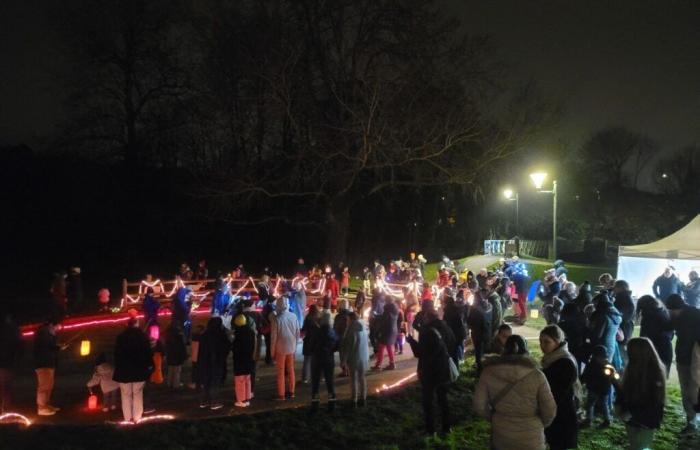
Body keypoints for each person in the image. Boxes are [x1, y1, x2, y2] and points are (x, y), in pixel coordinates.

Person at [473, 335, 557, 450]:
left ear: (504, 349)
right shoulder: (537, 375)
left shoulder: (488, 372)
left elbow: (479, 406)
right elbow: (550, 409)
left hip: (501, 435)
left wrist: (494, 417)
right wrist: (539, 423)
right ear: (526, 350)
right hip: (531, 438)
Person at [406, 310, 455, 435]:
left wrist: (411, 341)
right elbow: (452, 342)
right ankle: (446, 427)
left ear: (427, 318)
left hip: (429, 370)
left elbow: (420, 353)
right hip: (443, 368)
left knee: (428, 400)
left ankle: (430, 429)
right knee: (443, 399)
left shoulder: (427, 332)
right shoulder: (446, 327)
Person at [615, 337, 667, 450]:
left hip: (646, 419)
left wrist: (631, 413)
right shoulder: (632, 367)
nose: (627, 353)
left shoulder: (654, 372)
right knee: (634, 443)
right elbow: (626, 391)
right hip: (631, 416)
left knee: (642, 446)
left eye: (630, 350)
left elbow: (653, 402)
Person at [540, 324, 579, 449]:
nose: (542, 345)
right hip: (556, 414)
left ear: (557, 342)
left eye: (547, 342)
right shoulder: (553, 358)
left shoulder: (564, 362)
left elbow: (557, 393)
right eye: (541, 341)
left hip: (562, 416)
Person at [666, 294, 700, 431]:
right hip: (683, 356)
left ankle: (692, 419)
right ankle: (691, 421)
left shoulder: (695, 314)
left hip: (695, 358)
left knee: (693, 389)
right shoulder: (679, 315)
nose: (671, 313)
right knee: (686, 390)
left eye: (672, 310)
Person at [113, 318, 153, 424]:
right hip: (139, 370)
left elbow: (117, 354)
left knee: (125, 395)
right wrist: (150, 366)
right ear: (136, 324)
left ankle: (127, 417)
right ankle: (137, 417)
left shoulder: (121, 337)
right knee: (138, 394)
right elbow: (148, 353)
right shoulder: (142, 337)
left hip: (124, 370)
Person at [34, 319, 67, 415]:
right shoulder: (43, 332)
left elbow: (50, 346)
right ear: (52, 324)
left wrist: (57, 346)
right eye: (57, 327)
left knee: (49, 385)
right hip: (43, 363)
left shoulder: (47, 333)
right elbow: (46, 347)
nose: (58, 329)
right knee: (44, 386)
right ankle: (41, 407)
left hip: (48, 363)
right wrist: (58, 347)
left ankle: (46, 405)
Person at [196, 317, 229, 410]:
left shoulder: (204, 335)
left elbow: (200, 351)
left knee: (206, 382)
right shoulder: (221, 334)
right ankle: (214, 402)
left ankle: (204, 401)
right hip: (216, 362)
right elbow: (226, 347)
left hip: (205, 362)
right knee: (215, 382)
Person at [636, 295, 673, 377]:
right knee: (661, 378)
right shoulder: (663, 312)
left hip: (653, 350)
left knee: (651, 378)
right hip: (666, 347)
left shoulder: (648, 316)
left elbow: (644, 337)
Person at [271, 297, 300, 400]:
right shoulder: (294, 316)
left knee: (281, 371)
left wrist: (272, 352)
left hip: (280, 349)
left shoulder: (277, 319)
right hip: (291, 348)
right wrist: (295, 346)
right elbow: (297, 333)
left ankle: (281, 394)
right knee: (291, 370)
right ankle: (292, 392)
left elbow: (273, 337)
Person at [340, 312, 369, 406]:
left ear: (351, 319)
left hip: (354, 358)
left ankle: (354, 399)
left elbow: (348, 347)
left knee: (353, 379)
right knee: (362, 377)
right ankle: (363, 397)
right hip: (364, 357)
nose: (347, 322)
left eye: (348, 320)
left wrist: (343, 361)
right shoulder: (363, 328)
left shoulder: (351, 331)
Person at [580, 345, 612, 428]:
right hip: (598, 389)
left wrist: (582, 380)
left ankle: (604, 420)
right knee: (593, 404)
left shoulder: (592, 365)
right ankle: (590, 420)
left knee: (596, 404)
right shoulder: (607, 365)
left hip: (595, 388)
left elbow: (585, 375)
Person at [589, 292, 623, 370]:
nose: (594, 306)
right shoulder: (615, 313)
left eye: (595, 304)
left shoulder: (603, 316)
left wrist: (588, 332)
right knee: (606, 369)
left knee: (599, 370)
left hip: (601, 346)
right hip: (611, 345)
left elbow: (598, 334)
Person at [310, 311, 337, 405]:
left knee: (316, 381)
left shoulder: (316, 332)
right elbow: (336, 345)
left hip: (317, 358)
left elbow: (311, 345)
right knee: (329, 380)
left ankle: (315, 400)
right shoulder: (333, 332)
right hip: (329, 358)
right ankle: (331, 399)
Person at [0, 313, 23, 413]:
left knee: (5, 386)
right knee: (6, 387)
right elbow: (18, 345)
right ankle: (5, 408)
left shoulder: (9, 331)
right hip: (7, 363)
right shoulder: (12, 330)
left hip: (6, 363)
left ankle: (5, 409)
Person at [232, 314, 256, 408]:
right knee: (247, 379)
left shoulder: (238, 334)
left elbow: (235, 348)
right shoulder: (251, 332)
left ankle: (241, 400)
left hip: (239, 360)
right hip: (249, 358)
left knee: (239, 380)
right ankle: (247, 397)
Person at [558, 303, 589, 374]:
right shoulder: (582, 325)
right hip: (577, 352)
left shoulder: (561, 325)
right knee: (575, 371)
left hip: (564, 352)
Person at [467, 292, 493, 375]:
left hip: (477, 333)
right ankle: (487, 368)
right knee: (485, 351)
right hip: (487, 332)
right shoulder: (489, 306)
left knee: (478, 351)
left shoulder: (474, 309)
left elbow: (469, 322)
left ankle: (479, 370)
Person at [373, 296, 399, 371]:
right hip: (393, 329)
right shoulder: (395, 309)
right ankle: (392, 363)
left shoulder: (388, 308)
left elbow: (384, 319)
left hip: (387, 330)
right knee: (389, 347)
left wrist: (376, 317)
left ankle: (378, 365)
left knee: (381, 347)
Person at [613, 280, 635, 359]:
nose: (614, 289)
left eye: (615, 287)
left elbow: (623, 317)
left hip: (623, 331)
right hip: (622, 330)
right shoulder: (622, 298)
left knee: (620, 357)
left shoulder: (625, 299)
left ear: (620, 288)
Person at [443, 296, 467, 363]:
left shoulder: (448, 311)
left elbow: (446, 323)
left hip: (453, 333)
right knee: (460, 345)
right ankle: (462, 360)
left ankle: (459, 362)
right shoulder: (457, 309)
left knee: (455, 350)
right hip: (460, 331)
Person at [301, 304, 320, 384]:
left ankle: (305, 378)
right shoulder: (319, 318)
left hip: (308, 341)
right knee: (316, 360)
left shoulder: (308, 318)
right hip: (317, 341)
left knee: (307, 360)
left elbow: (304, 329)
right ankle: (316, 377)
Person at [164, 322, 187, 389]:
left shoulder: (168, 336)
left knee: (170, 370)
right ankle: (175, 384)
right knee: (177, 371)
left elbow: (166, 346)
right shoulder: (180, 335)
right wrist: (184, 356)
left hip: (170, 355)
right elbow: (182, 346)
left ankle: (169, 383)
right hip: (178, 356)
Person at [334, 299, 351, 376]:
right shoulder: (350, 315)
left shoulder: (339, 316)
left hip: (341, 338)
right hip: (349, 337)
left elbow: (335, 328)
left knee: (342, 354)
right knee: (348, 354)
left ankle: (345, 370)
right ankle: (348, 370)